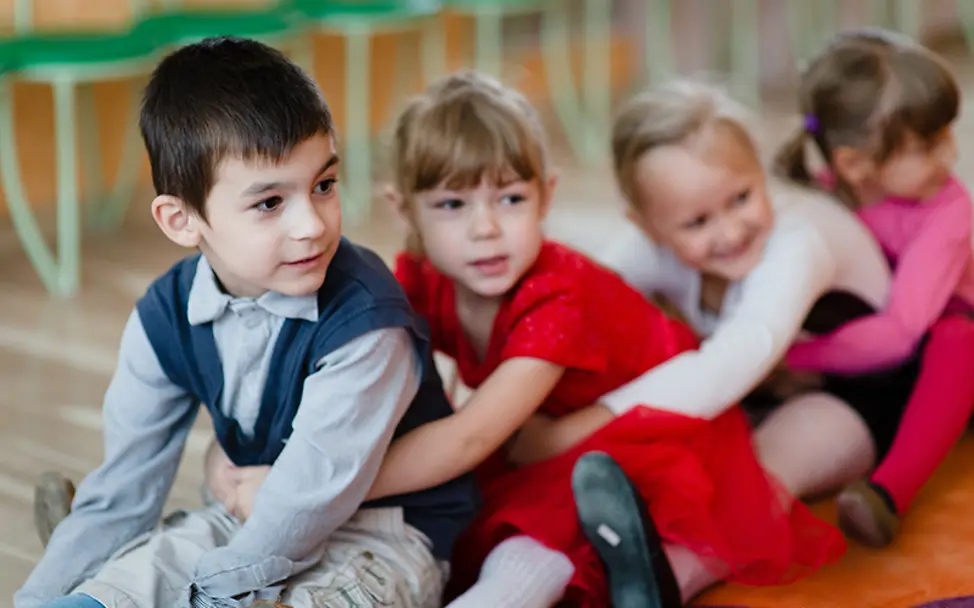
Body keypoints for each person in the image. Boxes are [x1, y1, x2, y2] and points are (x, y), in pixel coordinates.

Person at [16, 36, 477, 608]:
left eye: (324, 186)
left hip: (382, 538)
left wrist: (207, 596)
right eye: (269, 203)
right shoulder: (165, 317)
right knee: (118, 585)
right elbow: (122, 492)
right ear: (182, 220)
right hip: (246, 518)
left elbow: (304, 503)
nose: (312, 224)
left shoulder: (366, 320)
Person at [358, 71, 841, 607]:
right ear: (404, 211)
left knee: (535, 528)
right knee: (483, 506)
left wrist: (332, 490)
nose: (485, 228)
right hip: (544, 434)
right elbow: (376, 364)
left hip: (653, 432)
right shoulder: (425, 278)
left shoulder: (554, 296)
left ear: (547, 197)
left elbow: (473, 436)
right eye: (453, 205)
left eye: (511, 199)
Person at [510, 77, 923, 597]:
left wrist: (573, 430)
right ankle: (619, 528)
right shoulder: (648, 243)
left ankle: (668, 580)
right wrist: (519, 399)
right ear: (647, 225)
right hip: (756, 391)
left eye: (743, 197)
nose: (730, 231)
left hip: (857, 396)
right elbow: (586, 309)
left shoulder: (798, 242)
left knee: (763, 470)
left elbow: (729, 361)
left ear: (761, 173)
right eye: (697, 221)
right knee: (682, 446)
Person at [776, 28, 974, 547]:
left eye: (948, 134)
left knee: (958, 338)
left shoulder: (949, 209)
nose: (952, 156)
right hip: (877, 360)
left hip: (933, 347)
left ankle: (888, 494)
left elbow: (900, 332)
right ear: (852, 163)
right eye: (930, 144)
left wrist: (793, 360)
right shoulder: (817, 200)